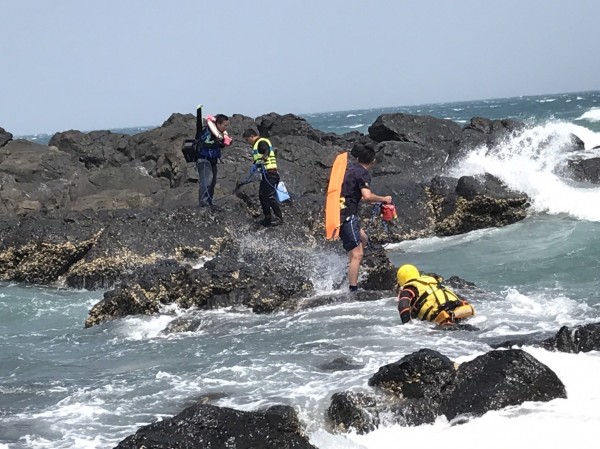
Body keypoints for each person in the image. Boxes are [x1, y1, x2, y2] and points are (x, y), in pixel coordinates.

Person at [339, 145, 393, 292]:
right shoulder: (362, 173)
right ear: (373, 161)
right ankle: (353, 290)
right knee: (358, 254)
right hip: (347, 216)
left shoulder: (349, 171)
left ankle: (350, 271)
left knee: (363, 239)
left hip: (341, 213)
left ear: (357, 158)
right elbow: (367, 196)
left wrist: (375, 200)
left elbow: (356, 195)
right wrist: (384, 199)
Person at [396, 264, 475, 325]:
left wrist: (407, 327)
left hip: (442, 318)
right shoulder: (433, 282)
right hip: (460, 311)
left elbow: (403, 307)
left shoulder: (409, 288)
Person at [242, 129, 284, 227]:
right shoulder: (257, 144)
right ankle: (267, 218)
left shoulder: (261, 142)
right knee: (262, 196)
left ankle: (279, 218)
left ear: (252, 136)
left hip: (271, 173)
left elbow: (267, 150)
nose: (248, 143)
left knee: (269, 196)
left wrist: (263, 159)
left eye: (248, 140)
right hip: (265, 174)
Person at [196, 114, 231, 208]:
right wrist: (216, 141)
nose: (226, 127)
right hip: (204, 160)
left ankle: (209, 202)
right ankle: (203, 203)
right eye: (225, 125)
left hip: (213, 160)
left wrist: (224, 143)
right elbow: (204, 142)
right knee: (207, 179)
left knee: (213, 182)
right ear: (218, 124)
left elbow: (220, 145)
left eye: (227, 125)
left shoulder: (220, 133)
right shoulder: (207, 131)